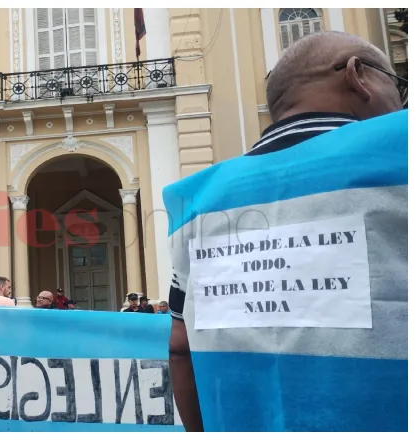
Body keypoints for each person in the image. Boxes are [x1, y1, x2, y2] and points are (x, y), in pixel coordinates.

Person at [165, 31, 406, 432]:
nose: (400, 100)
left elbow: (179, 348)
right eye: (396, 83)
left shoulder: (195, 200)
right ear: (357, 75)